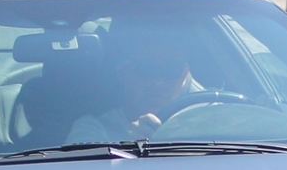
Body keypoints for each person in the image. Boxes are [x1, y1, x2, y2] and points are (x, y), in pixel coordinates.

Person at [65, 33, 203, 144]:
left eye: (171, 70)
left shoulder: (204, 123)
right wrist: (129, 148)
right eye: (146, 69)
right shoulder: (93, 128)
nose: (157, 82)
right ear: (123, 72)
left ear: (185, 75)